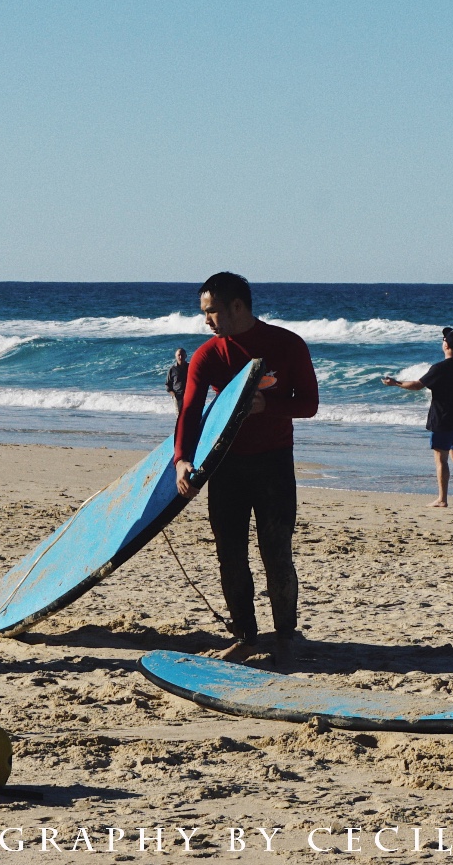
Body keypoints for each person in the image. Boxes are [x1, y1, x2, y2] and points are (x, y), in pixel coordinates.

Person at [173, 272, 319, 664]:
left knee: (277, 553)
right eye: (204, 313)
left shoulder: (287, 345)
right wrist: (182, 459)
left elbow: (308, 404)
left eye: (213, 311)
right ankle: (246, 637)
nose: (207, 320)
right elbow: (189, 410)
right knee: (230, 554)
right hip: (226, 467)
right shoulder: (208, 354)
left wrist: (269, 406)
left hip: (273, 464)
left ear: (237, 306)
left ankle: (286, 635)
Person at [383, 327, 453, 508]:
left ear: (447, 345)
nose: (442, 342)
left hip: (443, 418)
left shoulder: (440, 368)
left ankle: (442, 499)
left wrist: (395, 383)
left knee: (441, 458)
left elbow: (418, 385)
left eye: (444, 340)